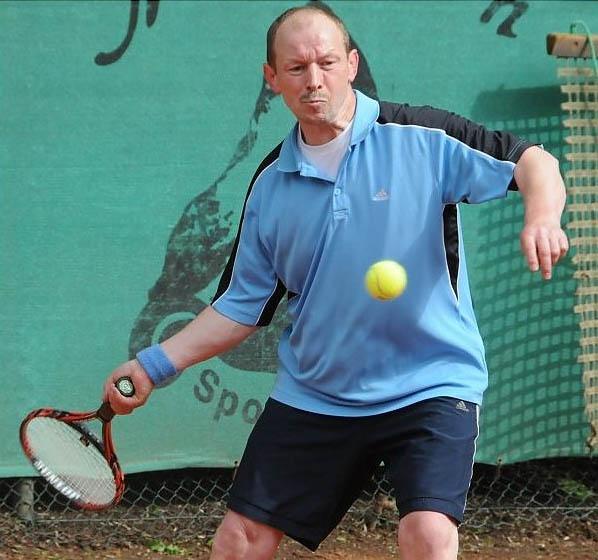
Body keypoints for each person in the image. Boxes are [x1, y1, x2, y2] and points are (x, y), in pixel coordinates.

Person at [103, 5, 569, 559]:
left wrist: (543, 217)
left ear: (350, 65)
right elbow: (240, 305)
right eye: (296, 67)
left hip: (430, 382)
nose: (313, 79)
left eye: (326, 63)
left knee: (428, 532)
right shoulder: (270, 186)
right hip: (318, 391)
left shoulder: (420, 137)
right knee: (240, 540)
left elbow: (531, 161)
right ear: (272, 78)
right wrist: (154, 365)